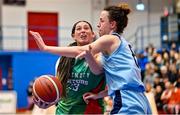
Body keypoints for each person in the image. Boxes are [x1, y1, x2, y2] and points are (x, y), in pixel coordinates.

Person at [29, 3, 152, 114]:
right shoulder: (107, 54)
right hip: (136, 99)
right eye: (78, 29)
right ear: (73, 36)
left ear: (112, 24)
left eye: (101, 21)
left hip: (126, 100)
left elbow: (80, 51)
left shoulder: (111, 39)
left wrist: (45, 48)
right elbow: (98, 70)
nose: (98, 24)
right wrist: (98, 94)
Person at [32, 20, 106, 114]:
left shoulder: (101, 56)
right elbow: (61, 90)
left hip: (90, 111)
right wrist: (49, 100)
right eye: (78, 29)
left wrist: (98, 95)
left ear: (93, 34)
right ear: (73, 36)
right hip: (63, 112)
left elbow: (102, 75)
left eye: (86, 28)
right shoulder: (63, 60)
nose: (83, 30)